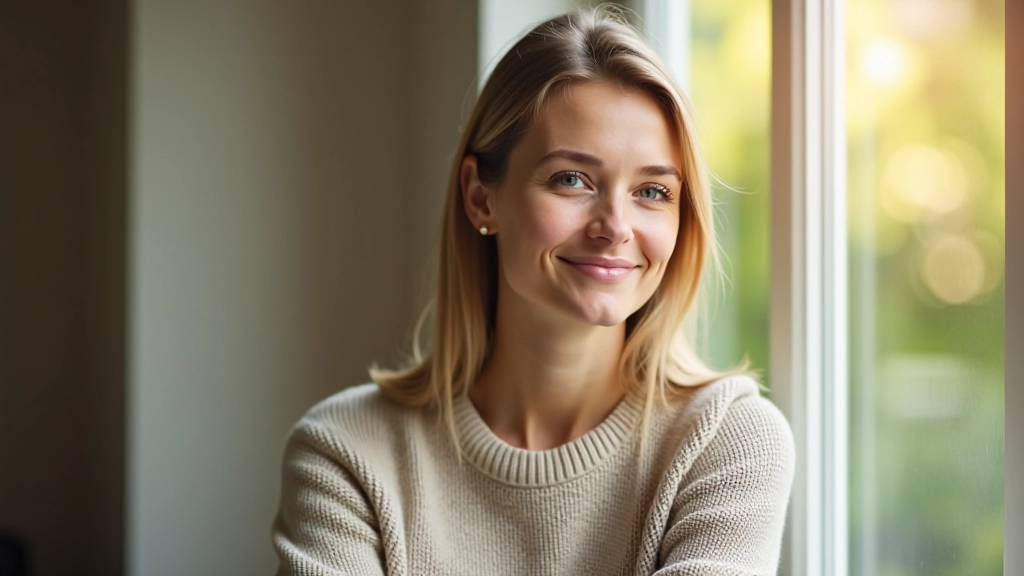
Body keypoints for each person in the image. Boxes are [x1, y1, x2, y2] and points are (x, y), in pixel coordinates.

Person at [271, 7, 794, 575]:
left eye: (651, 191)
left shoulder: (727, 443)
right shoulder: (344, 453)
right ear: (480, 197)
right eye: (572, 179)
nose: (616, 226)